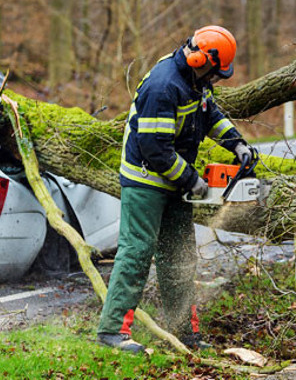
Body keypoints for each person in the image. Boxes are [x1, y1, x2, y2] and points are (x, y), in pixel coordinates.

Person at [96, 25, 254, 353]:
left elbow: (209, 115)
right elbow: (154, 148)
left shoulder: (195, 81)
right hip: (146, 181)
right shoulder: (163, 86)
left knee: (179, 257)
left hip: (176, 179)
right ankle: (111, 332)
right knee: (137, 252)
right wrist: (192, 181)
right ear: (202, 60)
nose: (216, 79)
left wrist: (236, 143)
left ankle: (183, 332)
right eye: (216, 72)